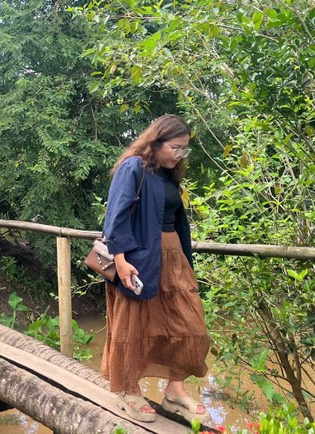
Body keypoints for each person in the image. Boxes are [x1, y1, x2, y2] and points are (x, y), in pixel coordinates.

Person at [100, 114, 211, 424]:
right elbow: (116, 216)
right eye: (175, 148)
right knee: (135, 325)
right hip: (139, 257)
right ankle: (129, 390)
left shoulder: (169, 174)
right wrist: (121, 260)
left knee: (189, 324)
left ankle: (175, 389)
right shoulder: (134, 167)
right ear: (156, 141)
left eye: (184, 150)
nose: (179, 155)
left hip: (173, 258)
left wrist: (184, 258)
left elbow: (176, 219)